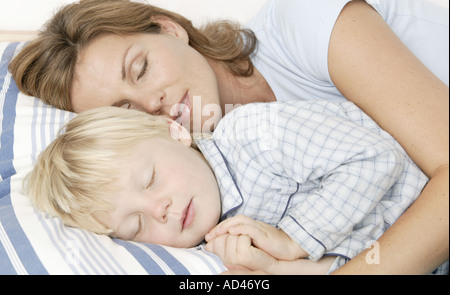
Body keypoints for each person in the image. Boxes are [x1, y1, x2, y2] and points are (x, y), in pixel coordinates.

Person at [9, 0, 449, 274]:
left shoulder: (303, 18)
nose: (152, 103)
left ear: (169, 29)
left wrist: (297, 243)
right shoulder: (213, 191)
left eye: (141, 69)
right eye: (126, 110)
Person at [25, 103, 448, 274]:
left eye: (150, 179)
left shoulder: (252, 134)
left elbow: (375, 157)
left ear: (174, 131)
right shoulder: (216, 253)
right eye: (136, 226)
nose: (161, 209)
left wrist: (293, 239)